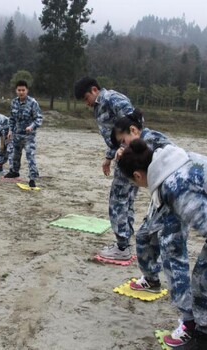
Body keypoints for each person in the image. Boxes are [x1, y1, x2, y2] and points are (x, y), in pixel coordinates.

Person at [118, 139, 207, 350]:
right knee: (200, 282)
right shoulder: (167, 161)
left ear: (137, 175)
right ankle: (202, 339)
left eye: (135, 182)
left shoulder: (176, 188)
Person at [111, 111, 193, 347]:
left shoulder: (157, 141)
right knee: (145, 236)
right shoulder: (138, 145)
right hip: (160, 200)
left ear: (134, 131)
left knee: (173, 256)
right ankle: (151, 279)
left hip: (175, 200)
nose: (123, 146)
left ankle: (190, 323)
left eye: (123, 141)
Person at [74, 76, 136, 260]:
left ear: (94, 90)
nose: (86, 104)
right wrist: (108, 157)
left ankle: (122, 248)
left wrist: (124, 149)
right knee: (126, 201)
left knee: (118, 200)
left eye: (86, 98)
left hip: (130, 156)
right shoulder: (99, 106)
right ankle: (125, 244)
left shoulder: (113, 99)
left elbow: (134, 125)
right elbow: (113, 134)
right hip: (122, 156)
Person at [4, 80, 42, 188]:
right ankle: (14, 172)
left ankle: (32, 178)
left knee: (30, 156)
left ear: (27, 90)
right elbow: (11, 118)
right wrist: (10, 130)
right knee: (15, 155)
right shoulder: (14, 102)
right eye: (19, 90)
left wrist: (32, 126)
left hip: (28, 136)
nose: (21, 92)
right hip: (16, 134)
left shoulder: (33, 103)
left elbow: (38, 118)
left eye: (23, 90)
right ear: (16, 91)